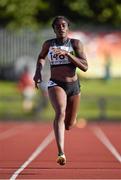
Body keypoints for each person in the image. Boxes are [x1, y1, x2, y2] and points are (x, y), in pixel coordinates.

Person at [33, 16, 88, 165]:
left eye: (63, 25)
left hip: (74, 86)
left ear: (68, 27)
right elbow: (41, 57)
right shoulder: (49, 44)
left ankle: (69, 123)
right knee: (60, 112)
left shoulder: (75, 43)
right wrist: (38, 71)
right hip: (56, 83)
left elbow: (85, 66)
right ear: (54, 29)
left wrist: (68, 55)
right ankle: (61, 152)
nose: (61, 28)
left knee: (69, 124)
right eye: (57, 26)